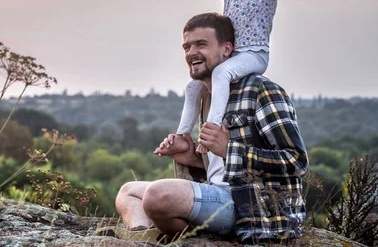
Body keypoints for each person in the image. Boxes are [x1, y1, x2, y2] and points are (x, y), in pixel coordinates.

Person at [114, 12, 309, 244]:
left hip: (253, 208)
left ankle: (170, 235)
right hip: (218, 198)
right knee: (128, 192)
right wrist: (192, 158)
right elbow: (218, 171)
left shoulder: (261, 90)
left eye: (201, 44)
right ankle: (140, 238)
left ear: (227, 50)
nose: (191, 53)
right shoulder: (205, 96)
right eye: (187, 47)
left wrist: (229, 149)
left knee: (157, 195)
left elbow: (296, 162)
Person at [178, 0, 295, 155]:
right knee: (193, 87)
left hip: (254, 54)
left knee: (220, 74)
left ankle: (210, 131)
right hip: (231, 54)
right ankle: (182, 136)